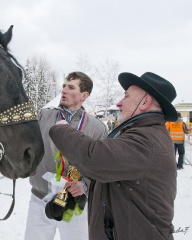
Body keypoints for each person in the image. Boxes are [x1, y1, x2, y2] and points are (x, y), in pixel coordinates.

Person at [48, 72, 177, 239]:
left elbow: (94, 159)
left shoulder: (146, 141)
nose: (119, 103)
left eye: (126, 96)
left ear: (144, 102)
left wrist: (61, 129)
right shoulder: (145, 135)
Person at [24, 71, 108, 240]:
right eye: (63, 86)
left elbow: (102, 167)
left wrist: (84, 184)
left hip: (74, 205)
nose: (64, 90)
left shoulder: (97, 128)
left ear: (84, 95)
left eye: (71, 87)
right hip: (41, 198)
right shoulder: (43, 116)